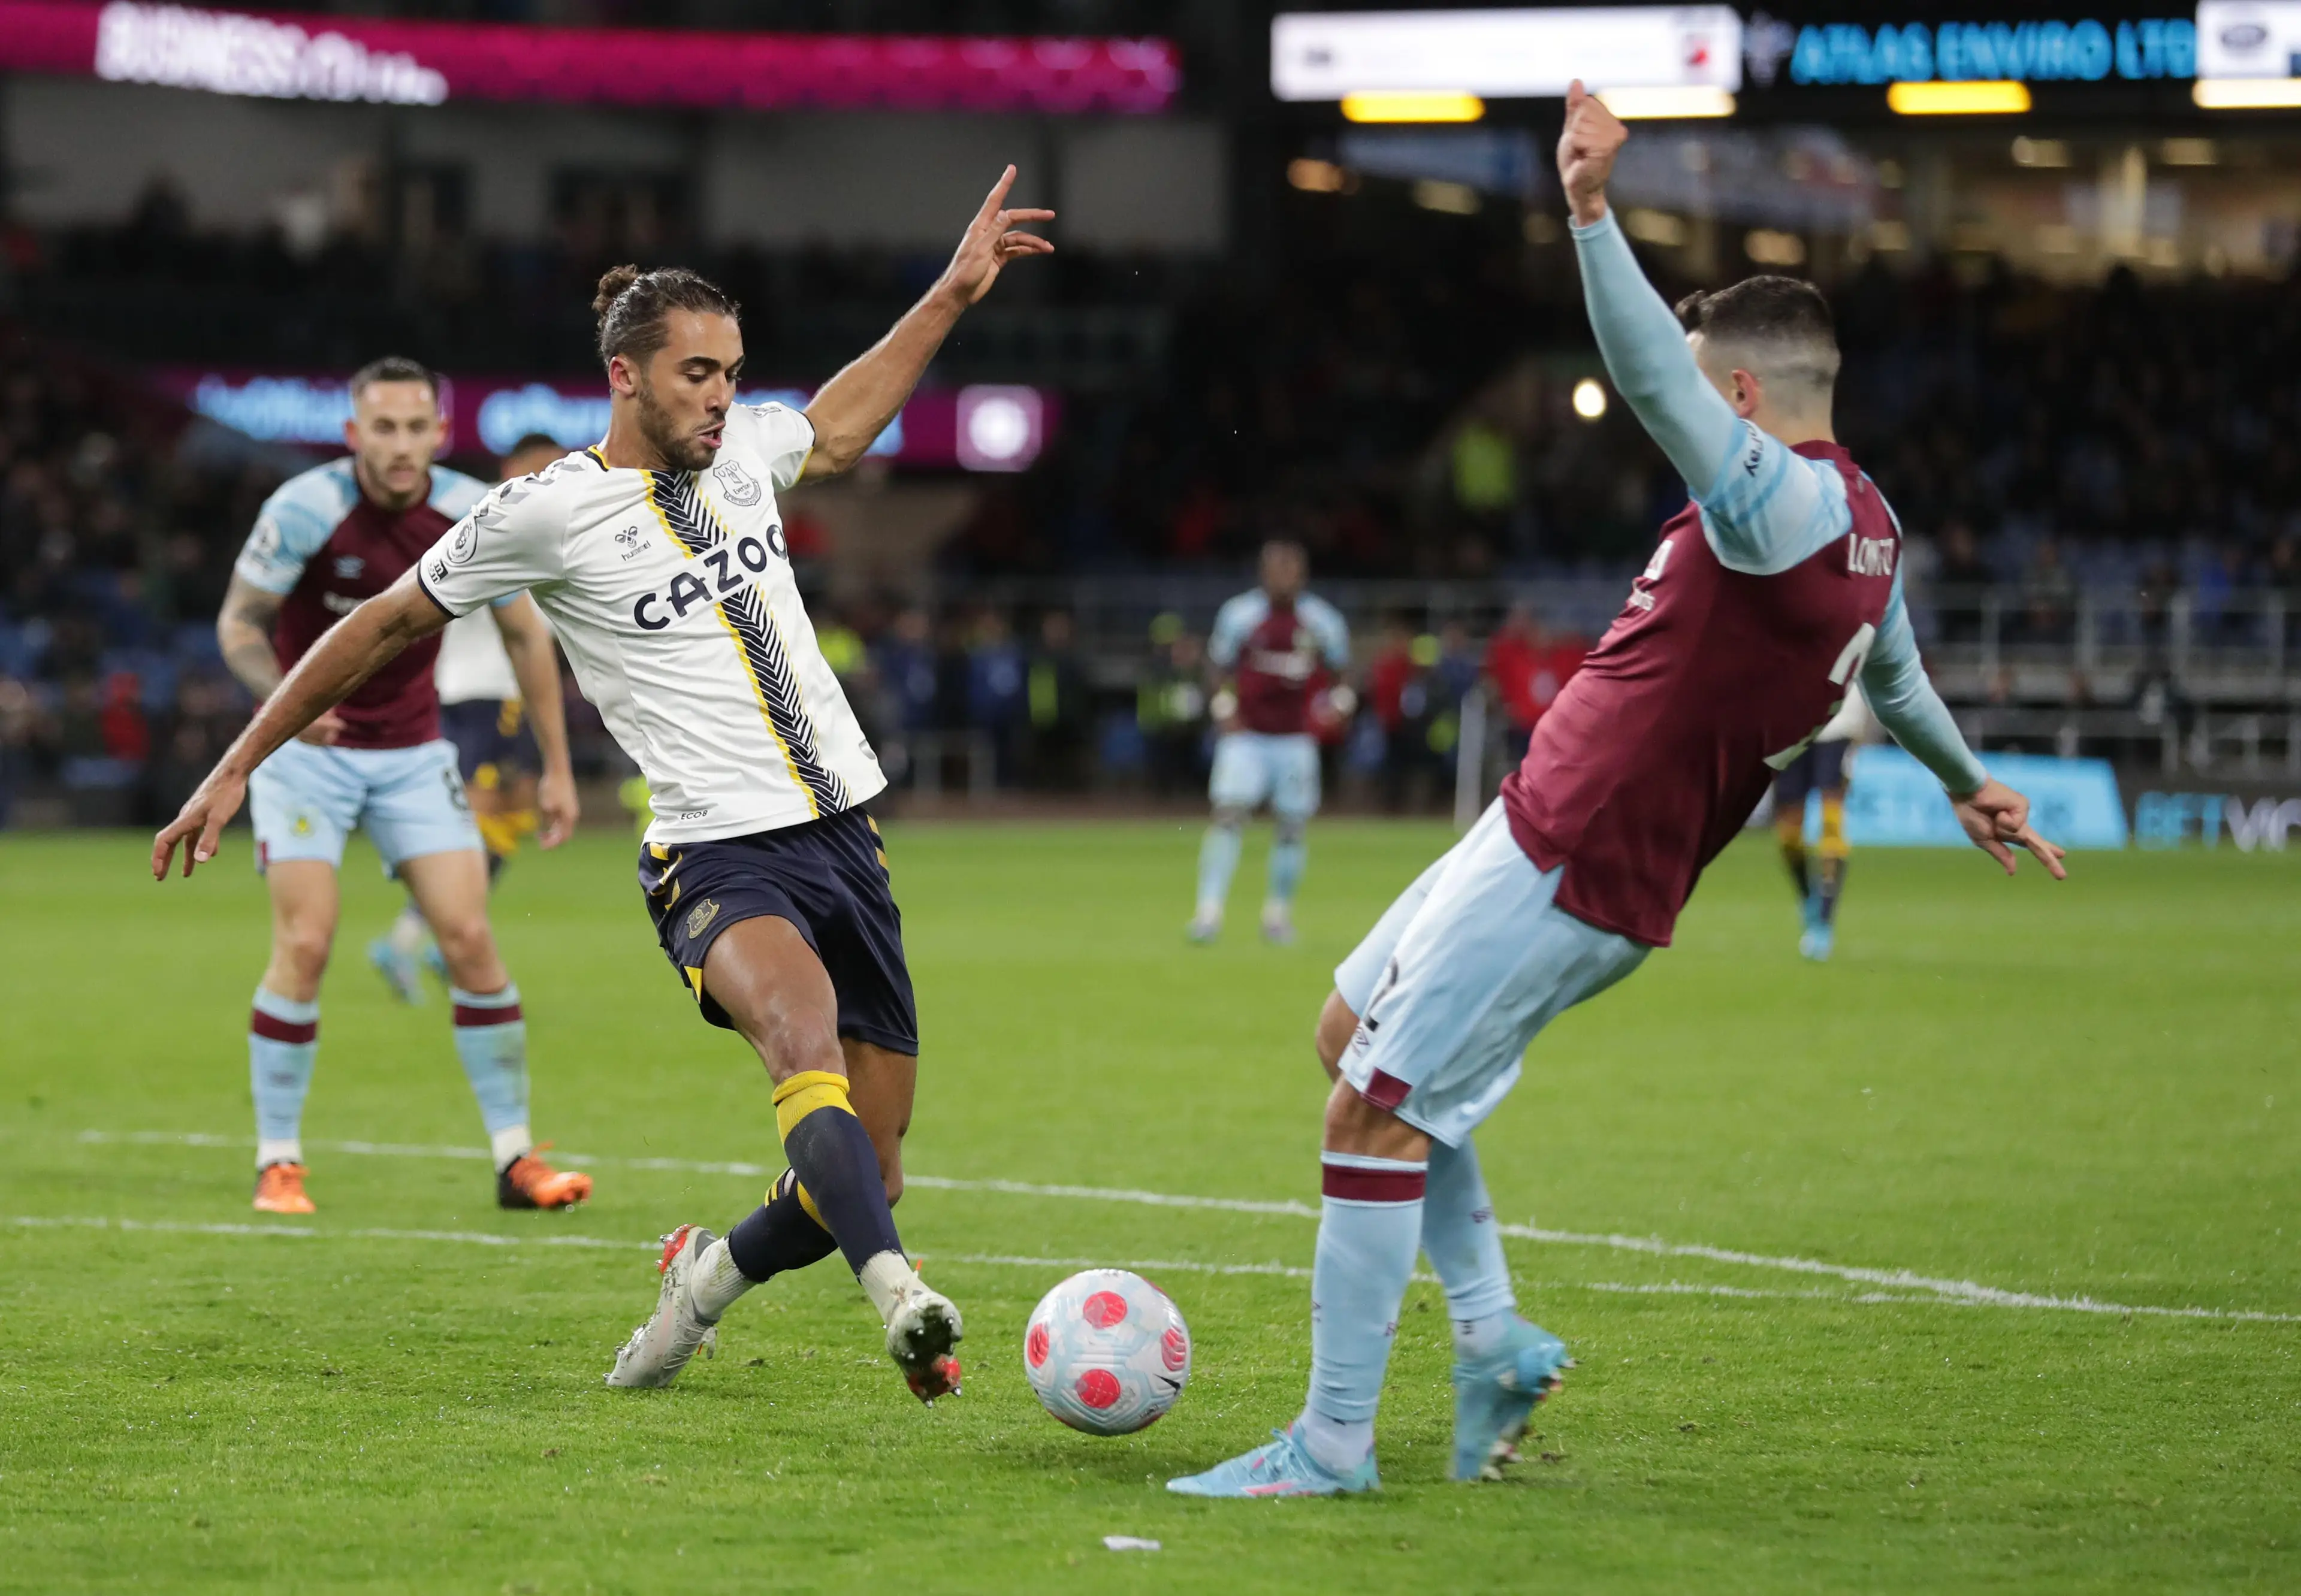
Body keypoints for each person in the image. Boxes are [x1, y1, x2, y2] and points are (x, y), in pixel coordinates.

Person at [1168, 85, 2066, 1500]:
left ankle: (1331, 1446)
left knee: (1371, 1113)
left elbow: (1653, 379)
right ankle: (1491, 1339)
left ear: (1747, 400)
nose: (1687, 412)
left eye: (1707, 392)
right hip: (1540, 828)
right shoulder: (1867, 527)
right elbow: (1888, 683)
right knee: (1349, 1032)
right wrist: (1968, 782)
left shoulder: (1777, 500)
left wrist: (1588, 212)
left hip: (1573, 856)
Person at [154, 167, 1056, 1409]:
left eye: (733, 372)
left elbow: (840, 424)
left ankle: (701, 1285)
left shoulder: (746, 455)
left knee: (869, 1170)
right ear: (627, 375)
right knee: (801, 1050)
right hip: (714, 854)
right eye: (699, 373)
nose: (722, 396)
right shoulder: (543, 512)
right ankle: (900, 1296)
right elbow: (373, 627)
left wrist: (953, 293)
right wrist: (237, 760)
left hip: (848, 835)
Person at [209, 356, 585, 1217]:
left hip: (415, 754)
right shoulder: (304, 509)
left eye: (417, 427)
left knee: (470, 940)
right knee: (306, 946)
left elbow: (527, 637)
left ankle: (515, 1159)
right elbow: (240, 620)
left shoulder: (467, 511)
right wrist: (284, 707)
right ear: (353, 436)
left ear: (441, 434)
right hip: (308, 754)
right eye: (384, 427)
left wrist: (558, 767)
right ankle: (279, 1161)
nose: (402, 444)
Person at [371, 431, 570, 1000]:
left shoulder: (537, 527)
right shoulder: (489, 519)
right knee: (474, 822)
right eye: (538, 467)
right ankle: (411, 937)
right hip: (483, 692)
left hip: (504, 696)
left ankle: (439, 937)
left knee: (510, 817)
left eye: (557, 468)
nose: (548, 479)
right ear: (511, 466)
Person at [1189, 539, 1351, 945]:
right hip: (1248, 737)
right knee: (1227, 815)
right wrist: (1224, 708)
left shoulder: (1322, 621)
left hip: (1296, 738)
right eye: (1276, 570)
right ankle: (1208, 913)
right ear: (1263, 574)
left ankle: (1277, 915)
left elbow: (1344, 673)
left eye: (1290, 570)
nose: (1283, 578)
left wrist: (1339, 706)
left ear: (1302, 575)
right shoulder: (1240, 616)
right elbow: (1217, 667)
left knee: (1292, 826)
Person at [1771, 678, 1876, 962]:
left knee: (1832, 822)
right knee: (1788, 835)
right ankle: (1809, 899)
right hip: (1792, 724)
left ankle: (1824, 921)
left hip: (1840, 719)